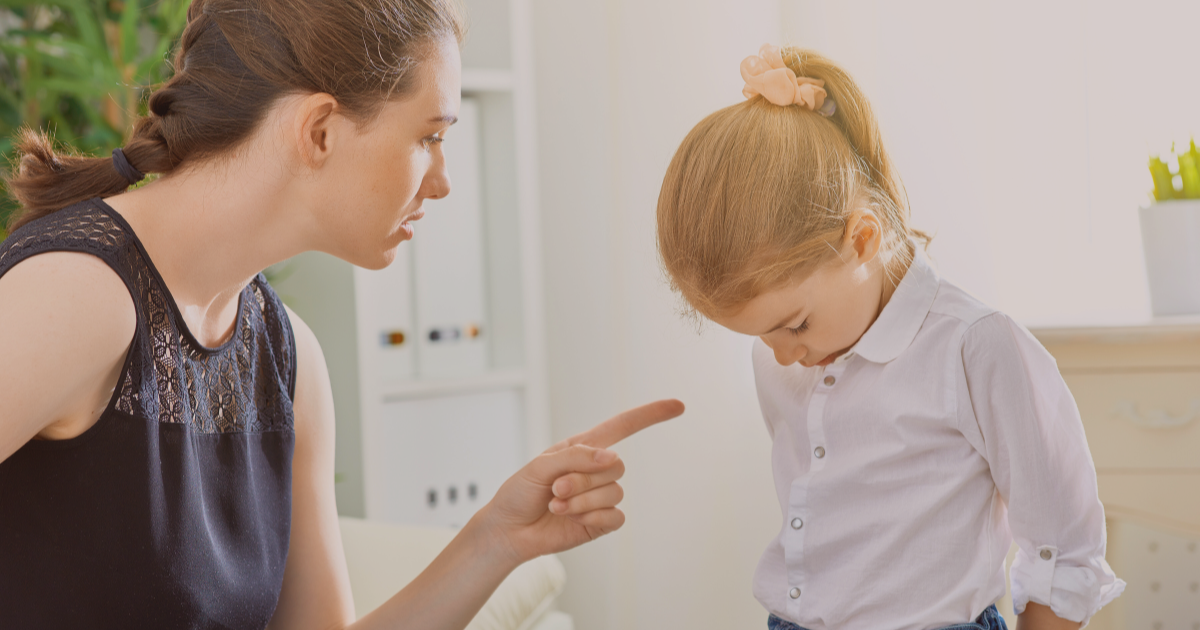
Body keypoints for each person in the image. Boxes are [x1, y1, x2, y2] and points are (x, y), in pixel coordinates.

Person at [0, 1, 683, 628]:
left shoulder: (289, 358)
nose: (442, 182)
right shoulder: (79, 294)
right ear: (320, 130)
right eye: (428, 136)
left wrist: (494, 539)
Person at [655, 44, 1122, 630]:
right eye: (757, 336)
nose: (781, 355)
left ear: (863, 239)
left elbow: (1064, 545)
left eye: (794, 325)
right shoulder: (780, 359)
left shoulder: (975, 348)